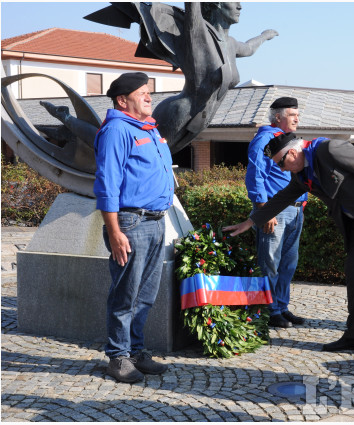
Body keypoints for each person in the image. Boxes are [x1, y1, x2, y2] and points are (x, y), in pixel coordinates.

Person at [224, 132, 354, 352]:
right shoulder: (302, 174)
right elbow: (284, 197)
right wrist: (250, 222)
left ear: (293, 152)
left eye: (282, 163)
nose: (282, 169)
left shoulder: (329, 150)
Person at [86, 2, 278, 154]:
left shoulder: (231, 44)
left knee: (159, 159)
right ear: (217, 4)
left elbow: (249, 48)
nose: (240, 6)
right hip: (179, 112)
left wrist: (265, 35)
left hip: (201, 119)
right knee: (147, 155)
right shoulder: (198, 35)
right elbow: (192, 6)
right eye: (234, 1)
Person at [93, 72, 174, 383]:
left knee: (146, 294)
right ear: (122, 100)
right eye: (142, 93)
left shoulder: (147, 129)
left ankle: (136, 352)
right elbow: (107, 184)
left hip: (155, 220)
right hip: (131, 222)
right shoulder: (116, 130)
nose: (149, 97)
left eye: (148, 92)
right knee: (125, 294)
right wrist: (114, 231)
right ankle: (117, 356)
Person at [245, 97, 306, 328]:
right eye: (292, 114)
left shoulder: (289, 141)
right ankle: (268, 310)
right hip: (274, 211)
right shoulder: (264, 140)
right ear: (278, 117)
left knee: (288, 263)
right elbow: (255, 175)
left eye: (297, 114)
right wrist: (263, 210)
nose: (297, 118)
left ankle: (281, 306)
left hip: (296, 211)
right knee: (270, 262)